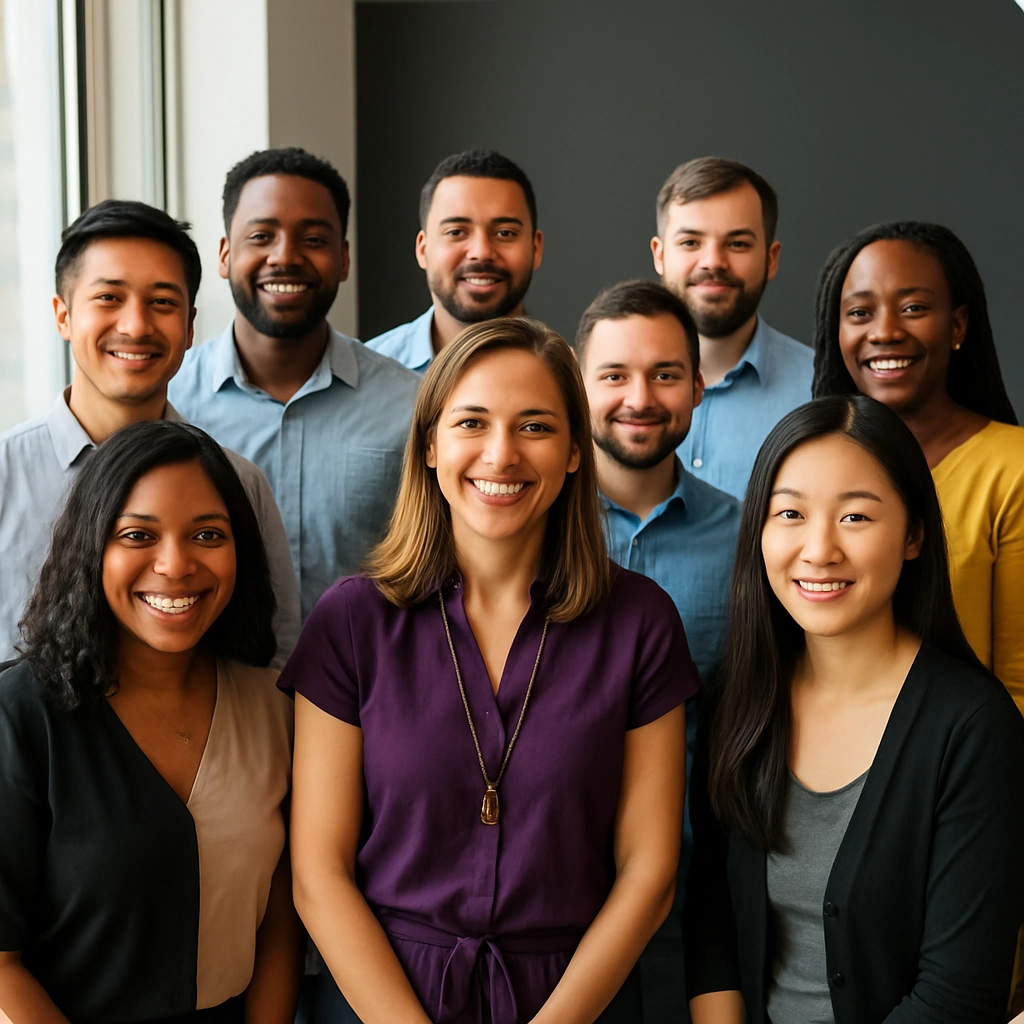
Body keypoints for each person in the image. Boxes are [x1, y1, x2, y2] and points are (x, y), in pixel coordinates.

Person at [283, 317, 697, 1024]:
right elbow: (318, 876)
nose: (501, 455)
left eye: (534, 427)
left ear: (573, 451)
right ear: (431, 446)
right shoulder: (350, 622)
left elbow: (649, 874)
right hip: (383, 997)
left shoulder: (641, 623)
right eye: (472, 422)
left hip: (577, 1000)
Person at [684, 395, 1024, 1024]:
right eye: (790, 514)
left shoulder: (974, 728)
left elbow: (958, 995)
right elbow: (713, 926)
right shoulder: (739, 694)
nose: (819, 550)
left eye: (856, 518)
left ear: (914, 534)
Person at [0, 420, 301, 1023]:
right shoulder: (20, 713)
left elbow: (278, 925)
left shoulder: (276, 710)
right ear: (92, 548)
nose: (175, 565)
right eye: (139, 534)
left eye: (207, 534)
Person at [0, 200, 300, 666]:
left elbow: (276, 655)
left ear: (189, 327)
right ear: (63, 316)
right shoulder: (5, 472)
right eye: (108, 298)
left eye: (162, 302)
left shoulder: (238, 484)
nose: (136, 326)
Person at [576, 280, 740, 1024]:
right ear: (578, 388)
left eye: (665, 374)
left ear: (699, 387)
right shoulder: (523, 534)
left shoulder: (752, 543)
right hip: (544, 894)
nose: (638, 397)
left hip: (695, 900)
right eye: (613, 375)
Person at [169, 148, 420, 620]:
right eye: (262, 236)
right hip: (216, 686)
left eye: (313, 239)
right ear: (225, 255)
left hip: (366, 688)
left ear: (343, 259)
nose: (285, 257)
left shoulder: (409, 404)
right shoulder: (171, 402)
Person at [812, 221, 1024, 716]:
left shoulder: (1012, 468)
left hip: (967, 768)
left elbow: (1019, 683)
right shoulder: (811, 464)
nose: (885, 331)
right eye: (860, 313)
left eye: (914, 308)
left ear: (957, 326)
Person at [651, 156, 813, 499]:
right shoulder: (597, 390)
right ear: (659, 255)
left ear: (771, 259)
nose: (713, 262)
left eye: (737, 243)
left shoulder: (821, 390)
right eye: (691, 242)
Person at [365, 149, 543, 373]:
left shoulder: (573, 380)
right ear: (423, 249)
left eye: (505, 233)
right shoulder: (366, 376)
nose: (481, 252)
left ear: (536, 248)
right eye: (456, 232)